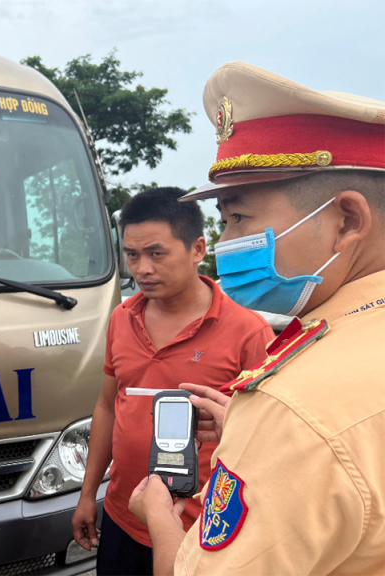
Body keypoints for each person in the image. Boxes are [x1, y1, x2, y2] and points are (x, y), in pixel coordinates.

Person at [129, 62, 385, 575]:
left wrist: (160, 520)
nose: (225, 246)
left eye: (239, 218)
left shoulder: (294, 406)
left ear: (347, 221)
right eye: (224, 223)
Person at [71, 187, 274, 575]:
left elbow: (265, 440)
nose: (142, 268)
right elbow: (108, 407)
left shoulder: (247, 333)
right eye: (132, 255)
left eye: (156, 253)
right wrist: (87, 495)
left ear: (197, 249)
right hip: (124, 514)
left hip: (204, 529)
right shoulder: (121, 318)